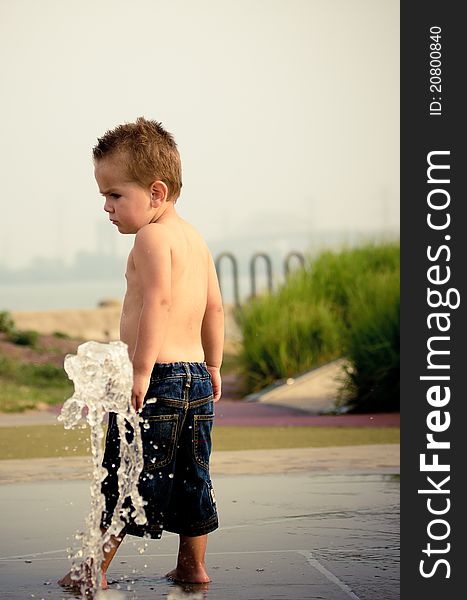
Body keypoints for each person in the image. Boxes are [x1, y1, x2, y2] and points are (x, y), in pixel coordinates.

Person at [59, 117, 224, 590]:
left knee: (126, 471)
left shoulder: (151, 238)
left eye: (114, 195)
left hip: (159, 379)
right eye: (104, 197)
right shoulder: (195, 238)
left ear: (155, 193)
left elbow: (159, 302)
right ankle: (192, 566)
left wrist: (140, 371)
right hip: (193, 375)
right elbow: (214, 307)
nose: (107, 208)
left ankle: (94, 569)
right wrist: (213, 364)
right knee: (194, 476)